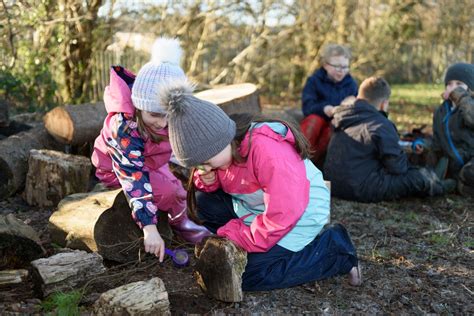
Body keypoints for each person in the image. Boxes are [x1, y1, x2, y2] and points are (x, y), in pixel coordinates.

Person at [158, 80, 361, 291]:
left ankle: (333, 250)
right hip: (258, 206)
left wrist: (237, 235)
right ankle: (256, 243)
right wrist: (209, 179)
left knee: (246, 275)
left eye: (206, 163)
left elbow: (282, 214)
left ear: (223, 140)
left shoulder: (269, 153)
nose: (203, 169)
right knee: (204, 204)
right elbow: (227, 176)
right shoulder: (224, 150)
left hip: (299, 214)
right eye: (198, 166)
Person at [91, 38, 210, 261]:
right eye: (154, 114)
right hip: (119, 168)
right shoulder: (124, 127)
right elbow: (133, 176)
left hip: (151, 159)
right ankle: (178, 225)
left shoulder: (165, 118)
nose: (162, 123)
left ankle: (182, 219)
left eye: (169, 115)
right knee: (167, 192)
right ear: (139, 105)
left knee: (179, 188)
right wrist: (149, 228)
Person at [324, 76, 453, 203]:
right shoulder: (381, 124)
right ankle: (442, 185)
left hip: (333, 185)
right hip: (360, 188)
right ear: (384, 104)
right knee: (417, 177)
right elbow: (398, 167)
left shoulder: (341, 116)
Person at [300, 44, 358, 167]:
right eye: (337, 66)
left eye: (345, 67)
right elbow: (307, 106)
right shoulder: (314, 81)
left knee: (333, 130)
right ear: (326, 65)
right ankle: (300, 158)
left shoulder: (351, 84)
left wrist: (351, 103)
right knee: (313, 122)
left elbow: (358, 107)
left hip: (337, 121)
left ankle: (313, 164)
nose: (341, 70)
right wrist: (324, 108)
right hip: (317, 118)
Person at [429, 63, 474, 196]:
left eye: (459, 84)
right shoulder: (441, 111)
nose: (453, 88)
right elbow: (437, 143)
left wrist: (462, 98)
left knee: (469, 173)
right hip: (454, 163)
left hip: (471, 161)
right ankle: (458, 185)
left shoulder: (469, 106)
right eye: (449, 84)